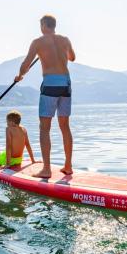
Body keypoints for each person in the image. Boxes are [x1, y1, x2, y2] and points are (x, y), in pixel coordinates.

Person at [15, 14, 76, 178]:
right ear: (54, 25)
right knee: (65, 126)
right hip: (66, 84)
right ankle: (68, 166)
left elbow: (26, 64)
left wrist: (20, 76)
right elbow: (72, 57)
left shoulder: (37, 42)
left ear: (43, 25)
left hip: (50, 85)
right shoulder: (65, 40)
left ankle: (47, 169)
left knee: (44, 128)